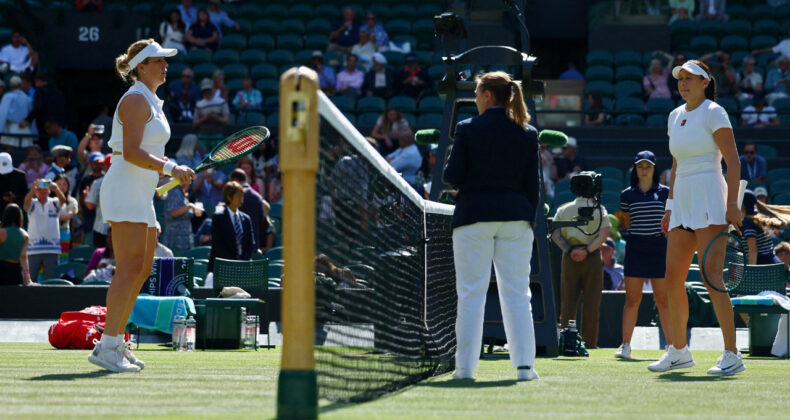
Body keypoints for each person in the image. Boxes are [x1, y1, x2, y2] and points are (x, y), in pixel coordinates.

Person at [88, 39, 194, 373]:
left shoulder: (151, 101)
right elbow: (132, 152)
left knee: (142, 269)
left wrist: (163, 178)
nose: (165, 65)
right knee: (128, 269)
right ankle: (107, 346)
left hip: (141, 191)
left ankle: (116, 340)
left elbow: (146, 154)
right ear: (141, 67)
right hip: (124, 189)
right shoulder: (135, 99)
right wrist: (170, 168)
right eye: (158, 60)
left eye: (165, 60)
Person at [442, 71, 540, 381]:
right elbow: (533, 187)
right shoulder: (528, 133)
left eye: (476, 93)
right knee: (518, 294)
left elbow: (451, 176)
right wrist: (527, 220)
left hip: (473, 217)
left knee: (471, 294)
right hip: (516, 219)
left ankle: (465, 369)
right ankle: (525, 368)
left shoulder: (467, 128)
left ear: (487, 96)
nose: (474, 99)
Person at [650, 59, 744, 376]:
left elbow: (733, 161)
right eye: (681, 79)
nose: (684, 83)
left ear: (705, 82)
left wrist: (732, 205)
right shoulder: (674, 115)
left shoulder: (715, 112)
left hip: (710, 196)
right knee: (671, 278)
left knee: (711, 277)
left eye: (691, 78)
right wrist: (669, 206)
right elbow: (676, 164)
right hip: (682, 202)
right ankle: (679, 351)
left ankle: (732, 354)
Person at [614, 151, 672, 360]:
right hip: (636, 247)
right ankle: (625, 345)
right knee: (632, 299)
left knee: (662, 299)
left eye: (648, 166)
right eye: (640, 166)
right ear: (635, 169)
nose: (644, 170)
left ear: (654, 169)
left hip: (659, 248)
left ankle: (672, 347)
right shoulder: (626, 195)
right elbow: (627, 221)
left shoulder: (666, 193)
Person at [552, 178, 610, 350]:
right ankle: (589, 343)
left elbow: (555, 234)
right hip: (592, 257)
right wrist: (587, 251)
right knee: (592, 303)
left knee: (568, 303)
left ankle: (566, 342)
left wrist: (570, 249)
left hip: (570, 257)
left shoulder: (563, 209)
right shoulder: (600, 209)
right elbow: (603, 235)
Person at [24, 177, 66, 279]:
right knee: (31, 280)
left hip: (52, 249)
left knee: (51, 281)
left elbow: (63, 200)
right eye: (39, 189)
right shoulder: (32, 203)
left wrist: (56, 188)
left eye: (45, 188)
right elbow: (26, 203)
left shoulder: (54, 202)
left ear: (49, 191)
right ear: (35, 192)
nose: (42, 191)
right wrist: (33, 189)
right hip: (33, 249)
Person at [207, 181, 255, 272]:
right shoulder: (218, 217)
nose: (241, 199)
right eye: (238, 196)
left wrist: (243, 261)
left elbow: (250, 243)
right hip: (222, 268)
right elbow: (217, 244)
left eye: (242, 196)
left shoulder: (246, 218)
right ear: (229, 197)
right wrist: (233, 262)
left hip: (242, 268)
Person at [23, 70, 67, 146]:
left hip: (45, 126)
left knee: (45, 145)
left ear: (38, 81)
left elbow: (38, 107)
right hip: (58, 124)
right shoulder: (58, 92)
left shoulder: (39, 91)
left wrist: (27, 120)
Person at [229, 168, 268, 252]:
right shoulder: (258, 197)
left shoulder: (235, 196)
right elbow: (262, 221)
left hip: (238, 245)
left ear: (235, 180)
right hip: (254, 245)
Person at [741, 190, 780, 265]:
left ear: (743, 204)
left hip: (763, 266)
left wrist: (751, 270)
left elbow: (752, 250)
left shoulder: (748, 222)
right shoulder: (759, 216)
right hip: (772, 262)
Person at [0, 204, 34, 286]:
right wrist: (28, 279)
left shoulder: (1, 233)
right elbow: (23, 257)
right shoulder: (25, 235)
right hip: (16, 272)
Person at [84, 154, 111, 248]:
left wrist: (86, 196)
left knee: (101, 256)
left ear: (106, 166)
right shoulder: (126, 182)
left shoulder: (98, 182)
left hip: (101, 228)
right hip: (120, 227)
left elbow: (90, 205)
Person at [161, 183, 196, 255]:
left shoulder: (179, 191)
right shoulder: (175, 192)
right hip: (176, 234)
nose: (189, 182)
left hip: (183, 233)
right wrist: (189, 206)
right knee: (174, 258)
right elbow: (173, 212)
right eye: (188, 179)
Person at [0, 75, 33, 148]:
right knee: (25, 150)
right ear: (20, 85)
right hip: (25, 128)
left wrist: (0, 129)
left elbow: (2, 113)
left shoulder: (7, 96)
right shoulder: (27, 98)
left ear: (10, 85)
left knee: (10, 150)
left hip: (11, 128)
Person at [54, 174, 78, 263]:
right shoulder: (49, 200)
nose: (62, 187)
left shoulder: (72, 201)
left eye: (64, 184)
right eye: (59, 184)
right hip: (49, 233)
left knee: (63, 258)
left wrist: (52, 215)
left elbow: (68, 215)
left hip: (64, 233)